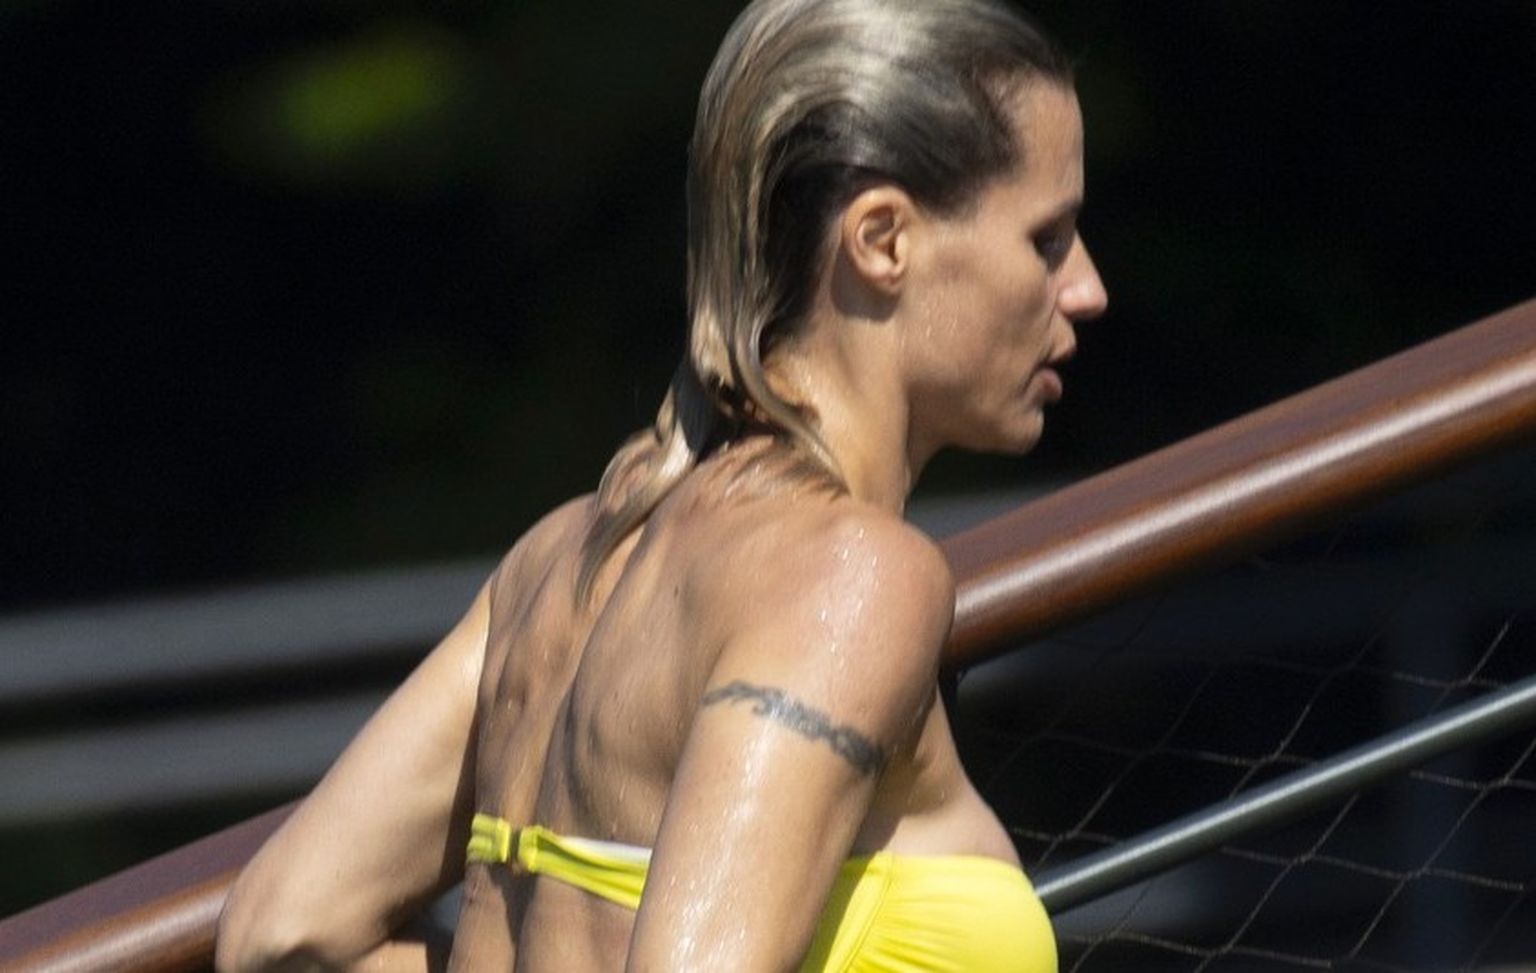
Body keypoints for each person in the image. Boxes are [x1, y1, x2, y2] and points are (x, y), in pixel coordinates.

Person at [214, 0, 1107, 968]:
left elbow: (286, 927)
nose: (1088, 288)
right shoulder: (853, 578)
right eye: (1046, 239)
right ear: (882, 239)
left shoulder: (562, 561)